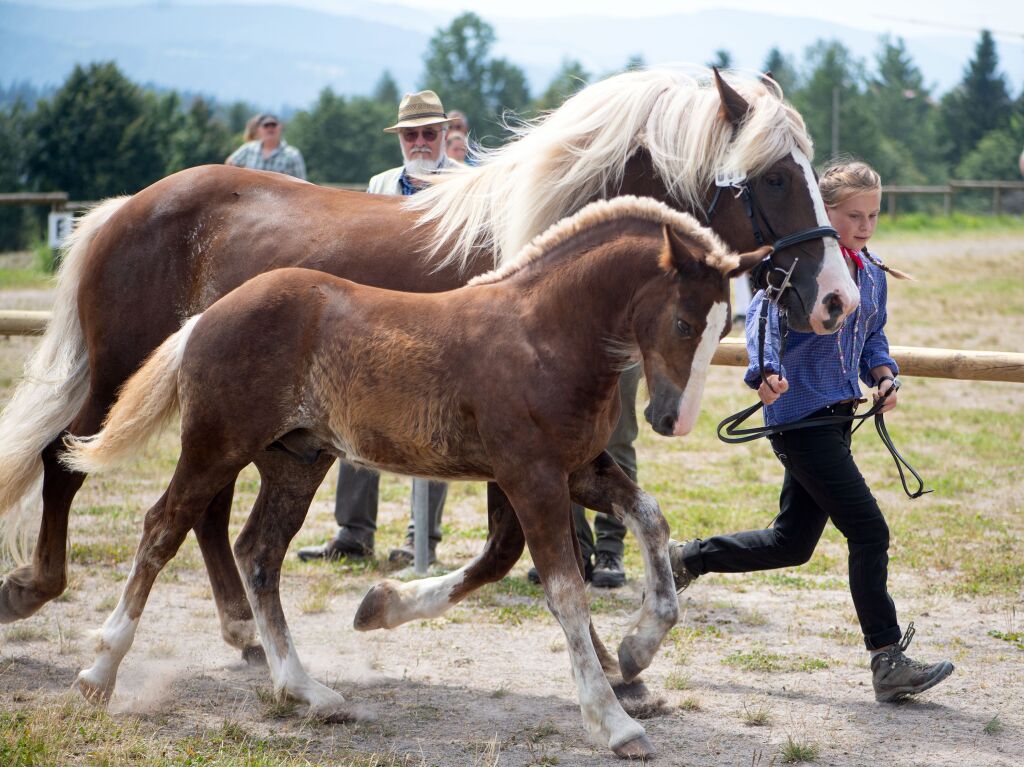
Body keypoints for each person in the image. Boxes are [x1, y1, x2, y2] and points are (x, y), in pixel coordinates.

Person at [668, 160, 954, 703]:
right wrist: (765, 370)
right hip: (799, 419)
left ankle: (689, 558)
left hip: (838, 418)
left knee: (792, 543)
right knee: (869, 532)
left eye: (873, 214)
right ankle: (887, 658)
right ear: (825, 212)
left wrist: (884, 374)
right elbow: (761, 319)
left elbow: (874, 336)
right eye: (853, 215)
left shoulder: (867, 271)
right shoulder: (797, 266)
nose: (866, 225)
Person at [298, 90, 457, 567]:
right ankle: (353, 532)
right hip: (378, 324)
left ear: (445, 135)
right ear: (401, 138)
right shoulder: (380, 184)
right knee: (355, 422)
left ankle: (419, 540)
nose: (422, 142)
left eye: (430, 133)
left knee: (434, 431)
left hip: (441, 322)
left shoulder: (467, 185)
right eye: (413, 134)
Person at [225, 113, 306, 180]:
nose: (270, 128)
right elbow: (230, 163)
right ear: (259, 129)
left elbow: (303, 184)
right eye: (266, 125)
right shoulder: (249, 148)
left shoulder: (293, 154)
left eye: (273, 125)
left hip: (280, 198)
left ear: (280, 127)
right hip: (250, 197)